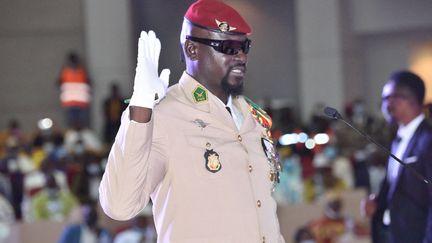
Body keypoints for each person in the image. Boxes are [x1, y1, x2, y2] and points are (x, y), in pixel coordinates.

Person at [99, 0, 285, 242]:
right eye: (228, 47)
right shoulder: (164, 116)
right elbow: (119, 205)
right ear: (192, 49)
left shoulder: (252, 117)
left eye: (244, 46)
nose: (240, 56)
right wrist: (141, 106)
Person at [363, 70, 432, 243]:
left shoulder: (428, 140)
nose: (384, 105)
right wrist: (378, 202)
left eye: (387, 98)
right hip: (394, 234)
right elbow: (395, 184)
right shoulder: (397, 139)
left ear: (404, 99)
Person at [58, 51, 91, 128]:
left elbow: (88, 82)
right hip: (70, 103)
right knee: (71, 123)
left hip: (80, 103)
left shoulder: (81, 71)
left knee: (82, 123)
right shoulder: (65, 72)